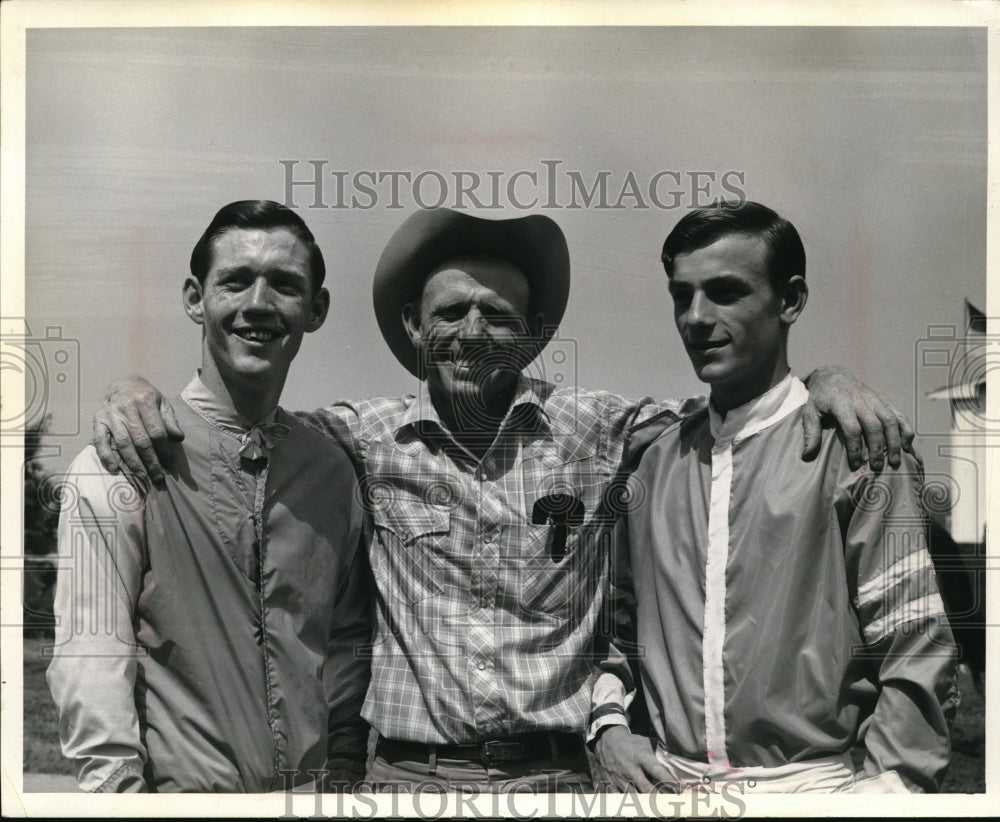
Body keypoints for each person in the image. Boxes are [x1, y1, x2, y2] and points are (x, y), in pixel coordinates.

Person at [89, 207, 915, 791]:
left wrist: (824, 382)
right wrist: (132, 391)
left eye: (498, 314)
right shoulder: (358, 439)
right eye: (449, 312)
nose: (472, 332)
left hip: (560, 776)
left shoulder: (604, 430)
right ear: (413, 327)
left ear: (535, 330)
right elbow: (241, 423)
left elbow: (739, 412)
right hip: (405, 779)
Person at [590, 201, 959, 793]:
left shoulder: (857, 452)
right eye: (681, 296)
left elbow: (915, 646)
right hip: (665, 787)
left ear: (789, 300)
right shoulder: (653, 463)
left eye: (725, 292)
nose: (696, 317)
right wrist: (608, 723)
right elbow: (616, 633)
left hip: (816, 788)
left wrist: (889, 791)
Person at [46, 201, 371, 792]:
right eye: (236, 281)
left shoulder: (332, 470)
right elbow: (91, 649)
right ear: (196, 298)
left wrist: (343, 767)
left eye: (285, 285)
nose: (258, 304)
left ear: (316, 309)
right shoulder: (121, 458)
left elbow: (344, 638)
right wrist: (118, 793)